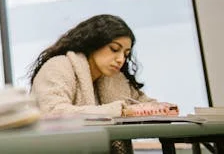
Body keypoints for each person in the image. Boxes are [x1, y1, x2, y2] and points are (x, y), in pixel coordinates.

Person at [29, 14, 175, 117]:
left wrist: (162, 108)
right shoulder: (58, 67)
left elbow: (142, 103)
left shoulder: (115, 79)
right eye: (114, 49)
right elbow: (53, 112)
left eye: (126, 54)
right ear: (94, 43)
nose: (121, 60)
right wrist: (119, 111)